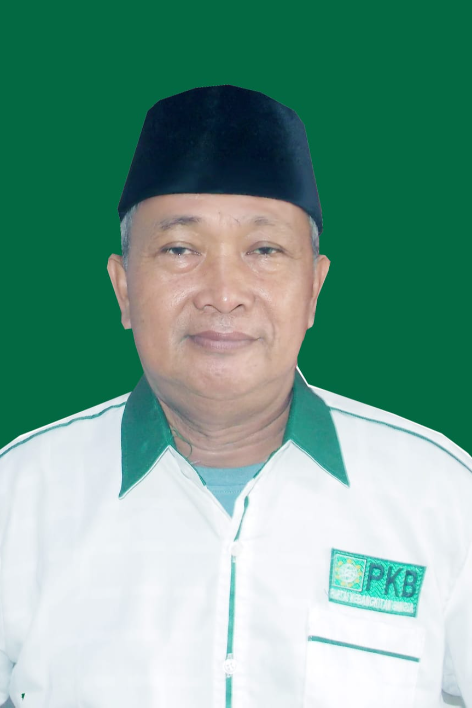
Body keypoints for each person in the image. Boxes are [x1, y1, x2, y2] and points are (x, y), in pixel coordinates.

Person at [0, 85, 470, 708]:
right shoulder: (19, 497)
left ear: (313, 289)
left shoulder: (441, 495)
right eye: (179, 250)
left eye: (264, 250)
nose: (223, 294)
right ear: (123, 287)